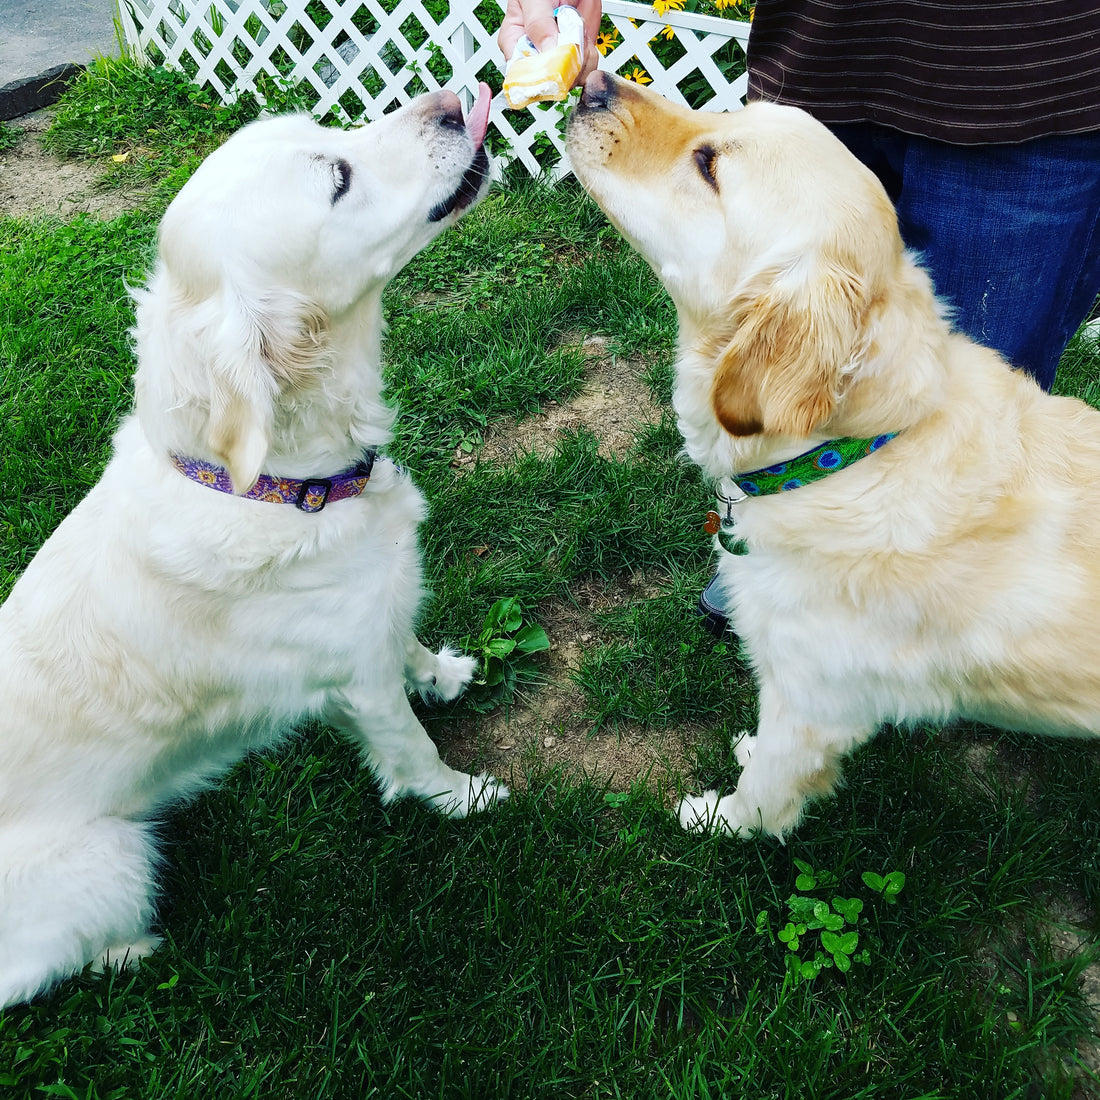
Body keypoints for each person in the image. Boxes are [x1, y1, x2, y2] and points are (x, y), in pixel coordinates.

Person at [499, 0, 1100, 632]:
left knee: (969, 427)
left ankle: (912, 622)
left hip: (1036, 82)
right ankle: (775, 555)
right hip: (824, 50)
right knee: (782, 385)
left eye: (707, 166)